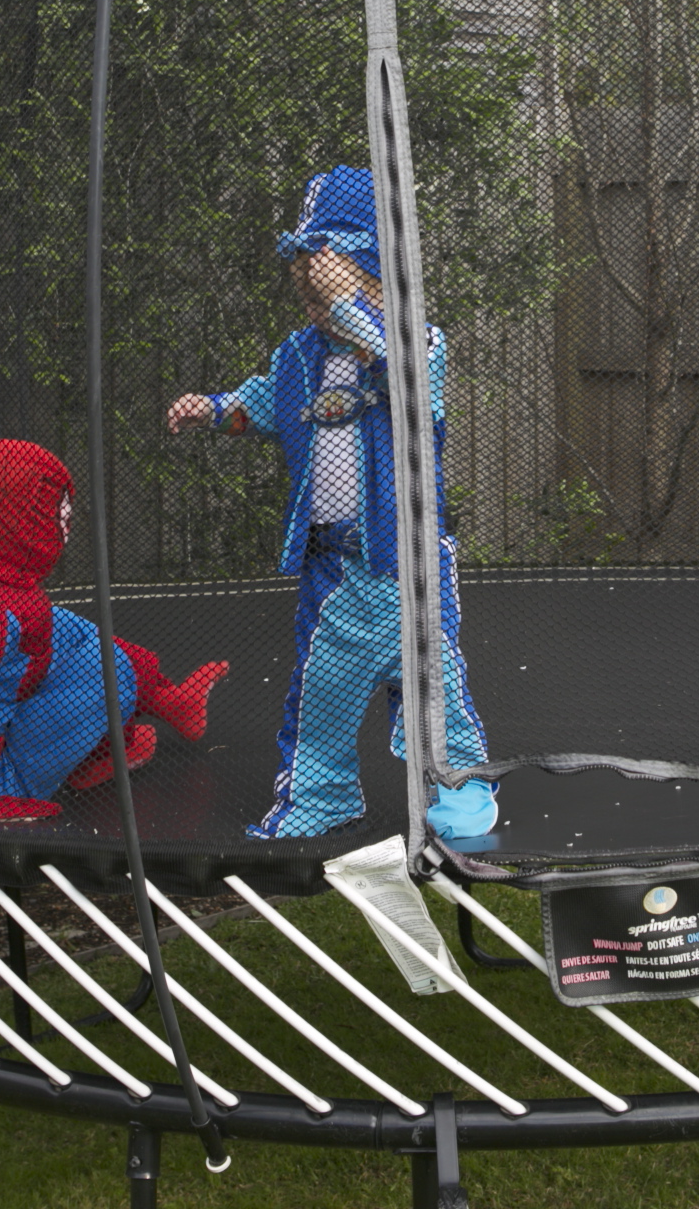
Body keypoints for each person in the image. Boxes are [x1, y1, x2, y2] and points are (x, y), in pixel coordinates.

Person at [167, 166, 496, 842]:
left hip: (406, 562)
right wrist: (214, 410)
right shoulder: (300, 355)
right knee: (321, 694)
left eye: (336, 292)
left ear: (376, 278)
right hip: (335, 568)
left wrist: (349, 303)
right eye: (310, 299)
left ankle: (463, 788)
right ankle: (321, 794)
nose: (319, 311)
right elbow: (261, 401)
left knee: (435, 690)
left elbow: (409, 388)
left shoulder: (416, 344)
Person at [0, 439, 227, 822]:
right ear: (22, 520)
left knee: (65, 629)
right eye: (58, 515)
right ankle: (104, 750)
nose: (65, 527)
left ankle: (168, 700)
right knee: (110, 671)